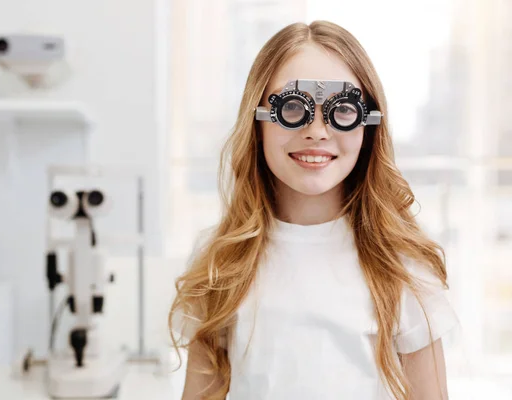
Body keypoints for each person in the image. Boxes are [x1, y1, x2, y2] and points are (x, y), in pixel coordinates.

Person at [168, 20, 459, 400]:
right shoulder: (224, 261)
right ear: (257, 123)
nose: (317, 131)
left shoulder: (400, 266)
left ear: (367, 126)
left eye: (341, 111)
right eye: (293, 107)